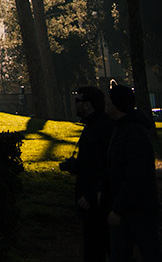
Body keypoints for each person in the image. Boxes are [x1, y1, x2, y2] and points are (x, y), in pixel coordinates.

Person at [104, 80, 161, 262]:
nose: (107, 104)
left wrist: (118, 208)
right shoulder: (125, 129)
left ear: (117, 104)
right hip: (133, 207)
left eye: (110, 101)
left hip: (136, 209)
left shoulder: (131, 133)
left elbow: (135, 174)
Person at [60, 85, 111, 262]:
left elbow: (105, 165)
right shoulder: (95, 126)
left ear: (88, 104)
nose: (75, 104)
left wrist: (91, 194)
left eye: (78, 100)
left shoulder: (99, 128)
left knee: (97, 247)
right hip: (92, 196)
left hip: (96, 199)